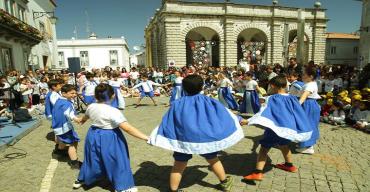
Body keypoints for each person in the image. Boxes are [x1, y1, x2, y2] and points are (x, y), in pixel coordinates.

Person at [148, 74, 245, 192]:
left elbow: (169, 120)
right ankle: (224, 182)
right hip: (205, 137)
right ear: (202, 87)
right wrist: (239, 119)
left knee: (179, 163)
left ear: (183, 88)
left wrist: (158, 133)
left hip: (184, 138)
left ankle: (174, 190)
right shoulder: (209, 100)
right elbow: (225, 112)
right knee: (213, 158)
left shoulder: (178, 103)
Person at [73, 83, 148, 192]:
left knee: (92, 158)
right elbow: (127, 128)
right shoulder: (113, 111)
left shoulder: (91, 106)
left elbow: (83, 119)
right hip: (109, 136)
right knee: (117, 160)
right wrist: (145, 137)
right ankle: (124, 187)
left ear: (96, 96)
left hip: (93, 134)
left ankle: (82, 179)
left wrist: (76, 119)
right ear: (113, 96)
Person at [243, 75, 312, 181]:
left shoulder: (271, 98)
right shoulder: (292, 98)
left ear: (273, 86)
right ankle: (289, 165)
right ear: (285, 85)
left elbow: (262, 113)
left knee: (264, 149)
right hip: (287, 129)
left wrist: (248, 121)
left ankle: (258, 172)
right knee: (284, 145)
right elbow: (298, 112)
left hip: (274, 128)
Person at [51, 84, 82, 169]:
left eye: (75, 93)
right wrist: (77, 119)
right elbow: (68, 113)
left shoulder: (59, 100)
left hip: (57, 126)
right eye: (72, 93)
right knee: (73, 142)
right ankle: (74, 162)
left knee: (61, 139)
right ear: (64, 93)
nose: (74, 95)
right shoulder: (67, 103)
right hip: (64, 127)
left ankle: (59, 151)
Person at [297, 68, 321, 154]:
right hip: (308, 104)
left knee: (308, 124)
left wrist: (297, 105)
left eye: (304, 74)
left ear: (310, 76)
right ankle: (304, 143)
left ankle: (309, 147)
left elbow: (304, 96)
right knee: (307, 123)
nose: (302, 76)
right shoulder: (310, 83)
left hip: (308, 105)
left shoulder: (310, 85)